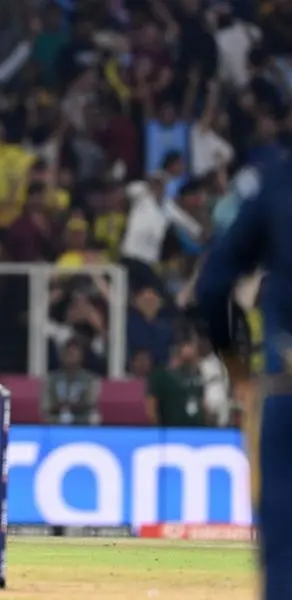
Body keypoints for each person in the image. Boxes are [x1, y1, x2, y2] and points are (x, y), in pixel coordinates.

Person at [194, 160, 288, 599]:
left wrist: (236, 370)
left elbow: (212, 286)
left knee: (285, 553)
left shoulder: (276, 183)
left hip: (286, 386)